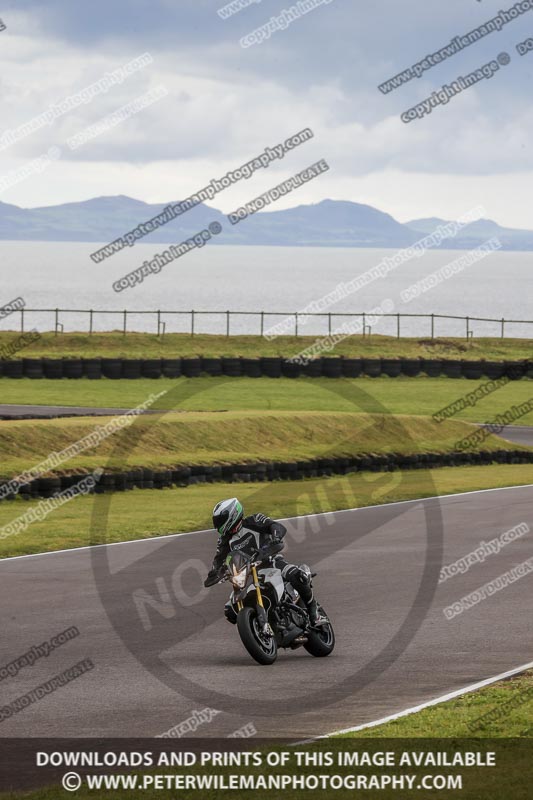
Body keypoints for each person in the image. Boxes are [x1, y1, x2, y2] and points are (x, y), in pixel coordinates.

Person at [204, 497, 326, 625]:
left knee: (296, 576)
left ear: (233, 514)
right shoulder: (224, 540)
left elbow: (276, 526)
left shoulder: (254, 521)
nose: (217, 524)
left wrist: (275, 537)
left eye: (220, 521)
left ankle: (314, 613)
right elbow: (219, 558)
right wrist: (214, 571)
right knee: (229, 611)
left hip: (271, 561)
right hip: (247, 574)